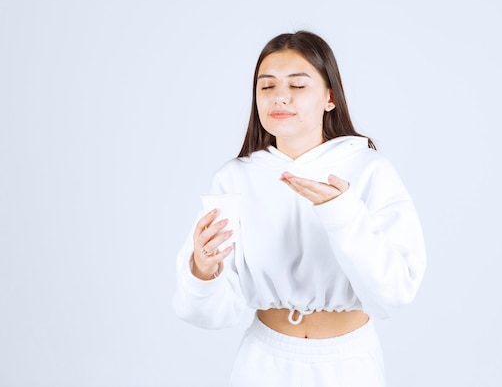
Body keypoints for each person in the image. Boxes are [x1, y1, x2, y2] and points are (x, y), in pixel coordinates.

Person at [173, 30, 427, 386]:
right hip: (262, 363)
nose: (280, 97)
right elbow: (212, 314)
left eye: (298, 86)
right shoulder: (235, 179)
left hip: (349, 363)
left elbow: (394, 295)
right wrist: (202, 269)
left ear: (329, 97)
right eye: (267, 86)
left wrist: (340, 210)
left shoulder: (369, 170)